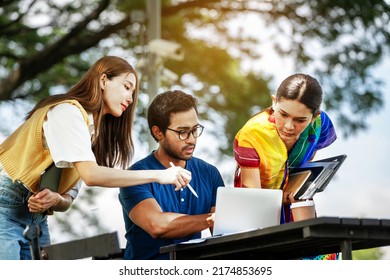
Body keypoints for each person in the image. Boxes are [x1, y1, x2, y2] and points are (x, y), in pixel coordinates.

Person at [0, 56, 191, 260]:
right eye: (127, 87)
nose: (130, 97)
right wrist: (160, 176)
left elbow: (67, 200)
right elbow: (91, 175)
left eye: (133, 93)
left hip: (36, 220)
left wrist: (54, 199)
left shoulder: (90, 134)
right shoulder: (68, 112)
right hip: (5, 205)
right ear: (103, 80)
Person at [233, 73, 338, 260]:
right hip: (257, 216)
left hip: (297, 207)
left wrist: (302, 185)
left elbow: (308, 157)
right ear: (274, 102)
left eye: (300, 120)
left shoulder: (321, 124)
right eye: (283, 114)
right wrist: (284, 196)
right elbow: (253, 197)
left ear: (314, 117)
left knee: (325, 255)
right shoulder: (251, 135)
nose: (289, 126)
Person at [119, 90, 225, 260]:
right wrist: (212, 219)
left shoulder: (209, 173)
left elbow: (222, 235)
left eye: (195, 130)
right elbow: (158, 226)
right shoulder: (135, 176)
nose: (191, 139)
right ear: (158, 132)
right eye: (182, 132)